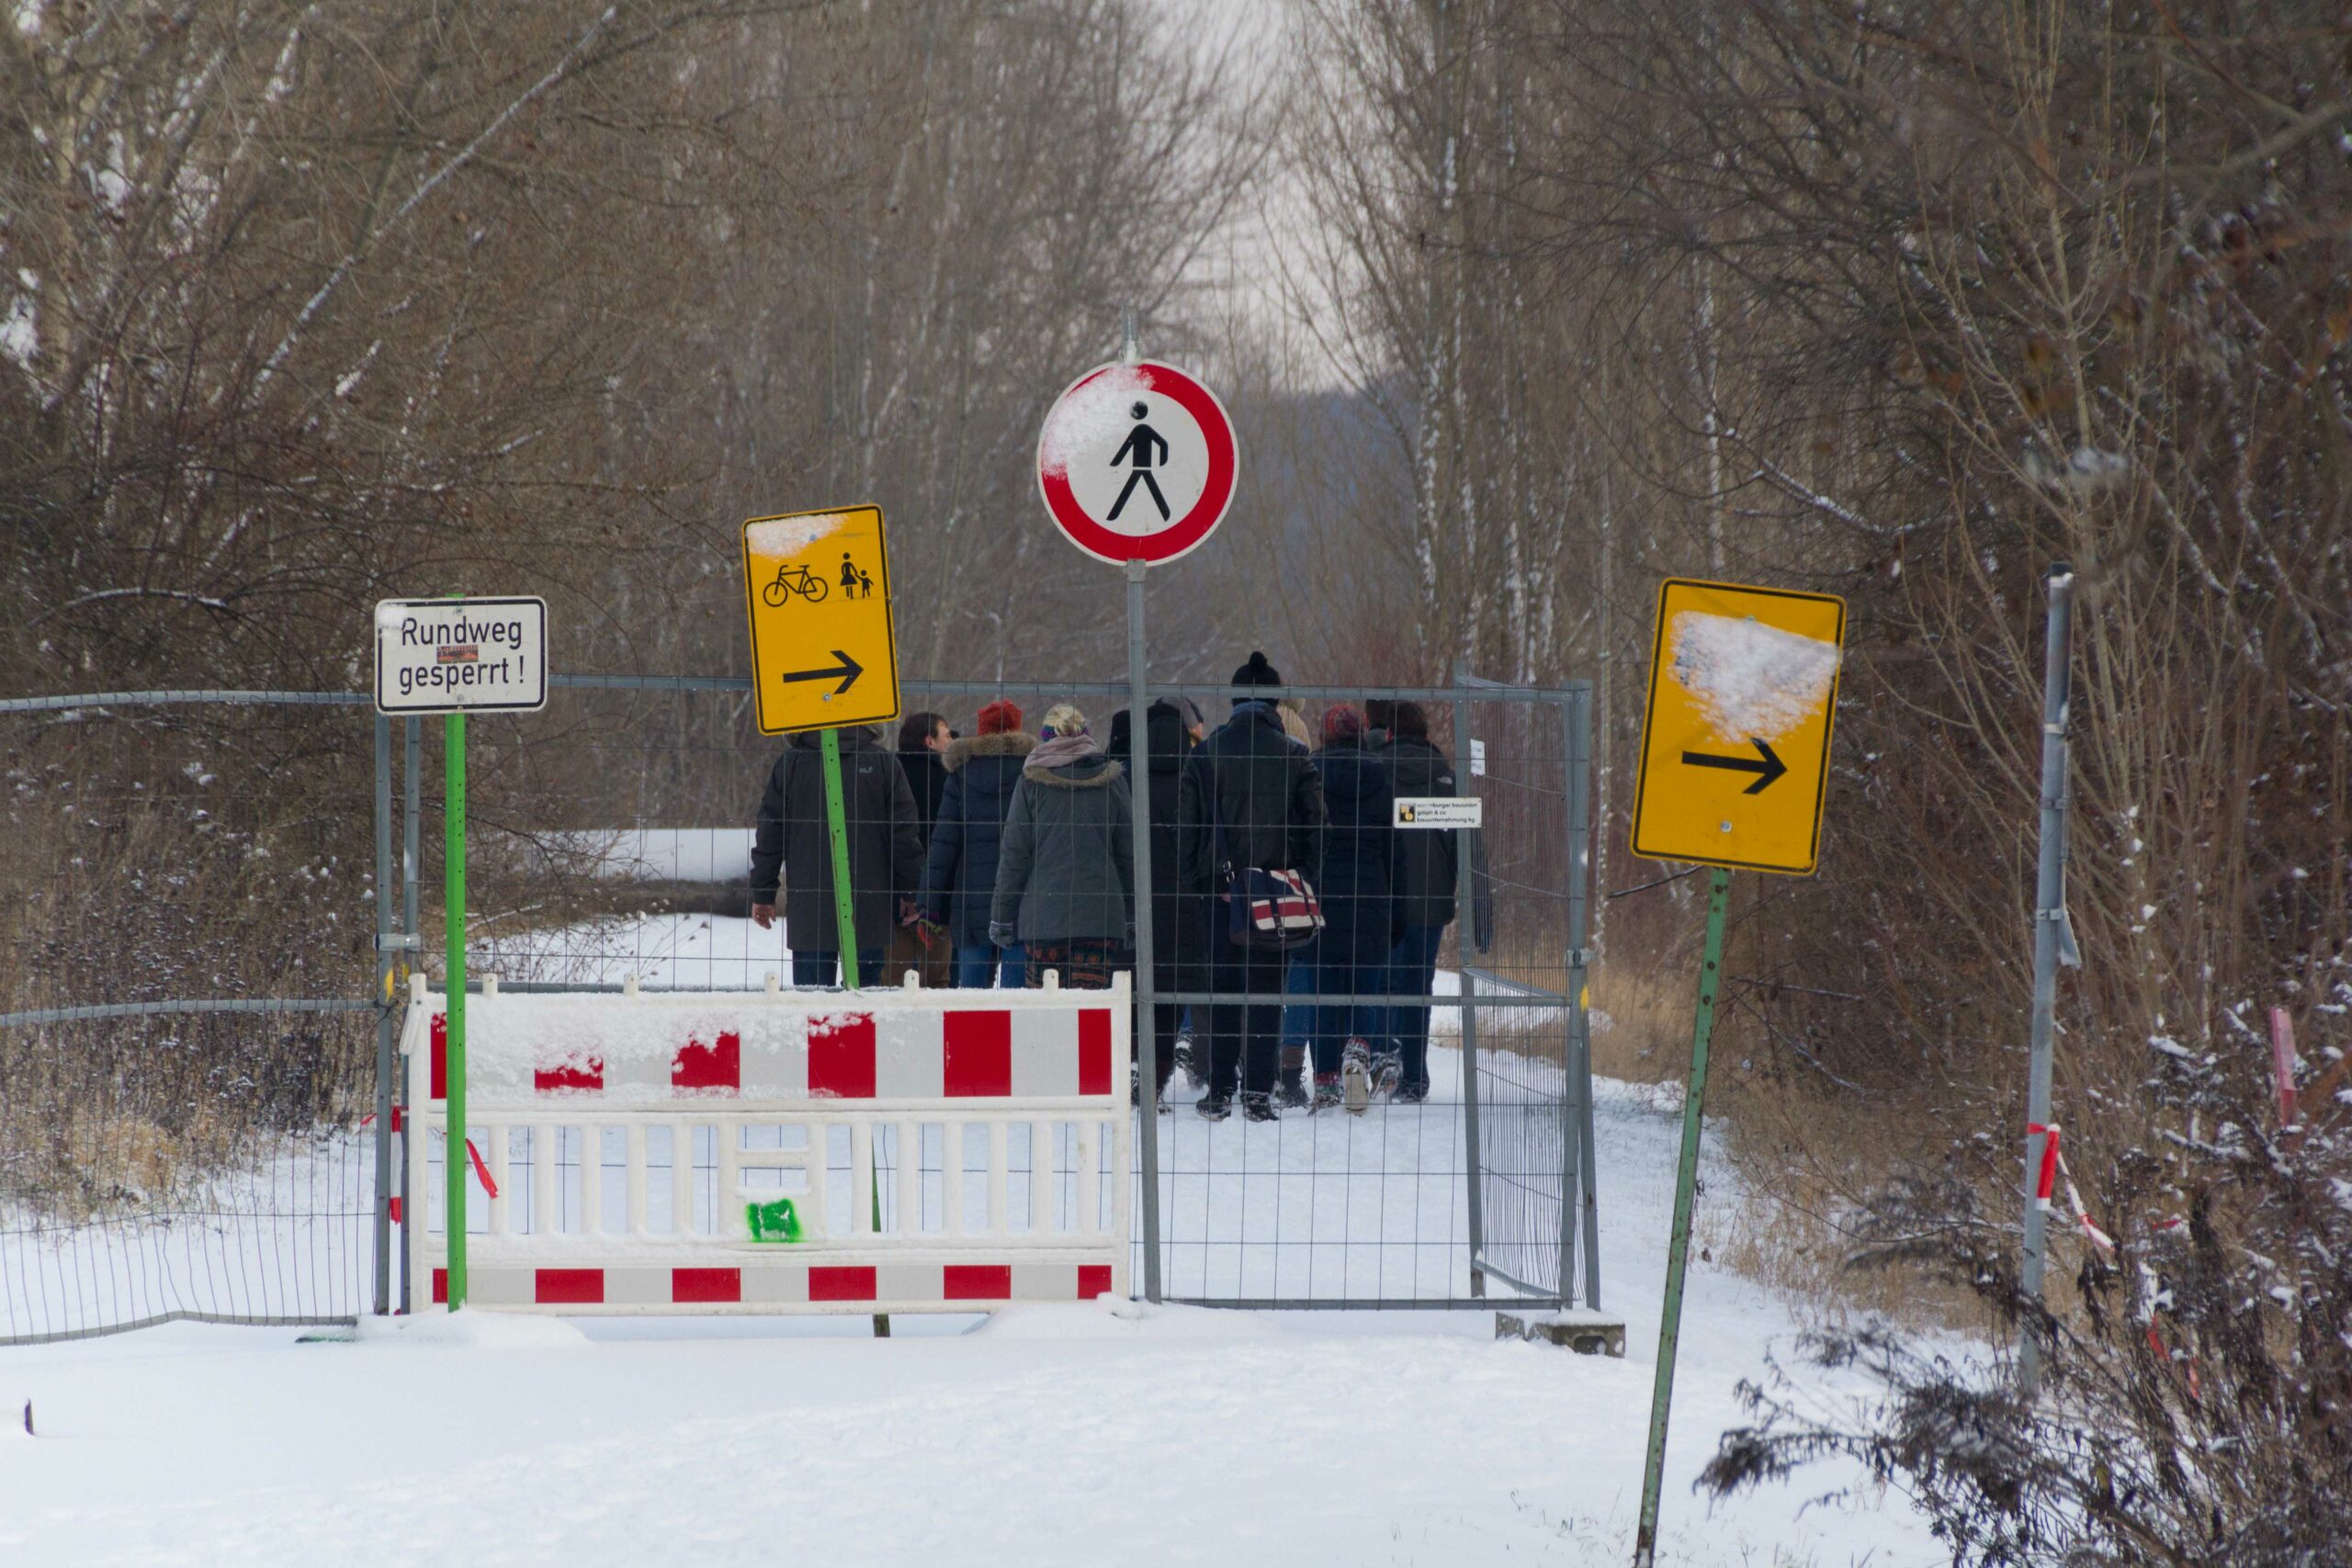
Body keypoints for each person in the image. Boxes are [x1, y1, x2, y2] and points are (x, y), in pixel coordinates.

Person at [1177, 651, 1326, 1122]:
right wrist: (1300, 877)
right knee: (1266, 992)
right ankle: (1258, 1094)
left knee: (1222, 989)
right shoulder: (1296, 757)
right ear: (1276, 703)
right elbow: (1317, 827)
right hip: (1275, 894)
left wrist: (1201, 882)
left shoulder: (1204, 756)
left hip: (1220, 894)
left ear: (1234, 701)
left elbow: (1186, 830)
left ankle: (1220, 1089)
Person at [1368, 699, 1494, 1100]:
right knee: (1418, 986)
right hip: (1430, 903)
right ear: (1425, 735)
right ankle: (1414, 1076)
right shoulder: (1449, 783)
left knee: (1381, 982)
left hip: (1382, 901)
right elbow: (1470, 853)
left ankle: (1383, 1059)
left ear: (1389, 733)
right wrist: (1482, 915)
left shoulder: (1373, 776)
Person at [750, 723, 923, 987]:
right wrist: (910, 890)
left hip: (810, 904)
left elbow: (771, 832)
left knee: (813, 996)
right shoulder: (882, 762)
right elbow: (903, 834)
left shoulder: (792, 764)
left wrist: (763, 892)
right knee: (865, 995)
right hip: (869, 903)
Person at [1107, 695, 1208, 1105]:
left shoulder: (1123, 780)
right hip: (1186, 908)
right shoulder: (1197, 777)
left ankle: (1131, 1066)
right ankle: (1152, 1082)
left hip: (1132, 906)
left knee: (1130, 994)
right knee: (1169, 1001)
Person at [992, 704, 1134, 989]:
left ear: (1046, 738)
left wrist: (1001, 916)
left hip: (1043, 918)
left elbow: (1014, 856)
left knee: (1048, 1010)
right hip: (1100, 917)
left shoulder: (1031, 784)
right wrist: (1132, 916)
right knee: (1089, 1008)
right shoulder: (1113, 781)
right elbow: (1128, 856)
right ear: (1086, 735)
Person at [1306, 705, 1400, 1112]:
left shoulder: (1309, 774)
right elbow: (1395, 851)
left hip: (1320, 897)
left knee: (1324, 991)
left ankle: (1326, 1081)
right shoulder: (1382, 777)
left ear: (1324, 735)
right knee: (1366, 985)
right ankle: (1358, 1051)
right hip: (1371, 897)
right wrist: (1397, 908)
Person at [920, 699, 1034, 987]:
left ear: (982, 731)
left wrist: (928, 905)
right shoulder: (1033, 775)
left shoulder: (961, 775)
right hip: (1021, 898)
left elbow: (943, 845)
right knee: (1017, 1000)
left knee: (972, 999)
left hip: (971, 900)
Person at [1273, 696, 1319, 1107]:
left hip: (1258, 884)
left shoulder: (1255, 768)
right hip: (1301, 885)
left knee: (1260, 975)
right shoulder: (1308, 772)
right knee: (1301, 974)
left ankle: (1255, 1061)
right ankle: (1290, 1070)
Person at [889, 711, 955, 987]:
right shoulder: (949, 780)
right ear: (930, 741)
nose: (951, 741)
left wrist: (904, 891)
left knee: (892, 983)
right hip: (937, 897)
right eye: (947, 735)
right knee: (936, 983)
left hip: (892, 894)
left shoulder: (888, 774)